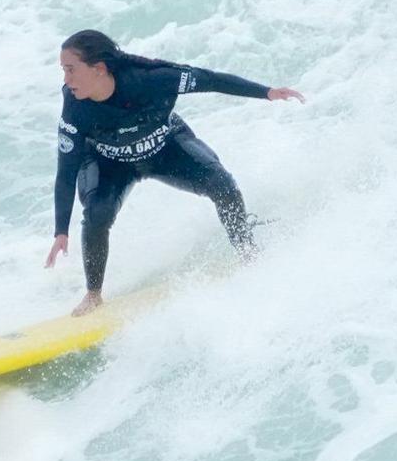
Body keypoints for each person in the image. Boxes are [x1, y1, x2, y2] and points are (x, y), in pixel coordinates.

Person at [45, 29, 306, 314]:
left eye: (71, 70)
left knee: (222, 184)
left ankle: (247, 251)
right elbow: (66, 170)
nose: (66, 80)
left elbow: (209, 79)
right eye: (63, 71)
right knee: (97, 213)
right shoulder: (75, 106)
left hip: (165, 148)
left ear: (99, 69)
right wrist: (61, 230)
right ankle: (93, 295)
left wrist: (266, 92)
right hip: (108, 162)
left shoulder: (153, 79)